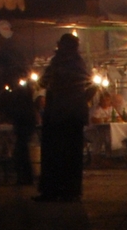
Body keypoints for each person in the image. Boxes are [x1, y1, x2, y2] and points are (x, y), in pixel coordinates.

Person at [38, 33, 91, 201]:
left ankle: (58, 189)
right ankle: (68, 189)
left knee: (58, 153)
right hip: (70, 115)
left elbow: (44, 81)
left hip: (61, 115)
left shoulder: (61, 63)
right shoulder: (78, 63)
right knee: (70, 154)